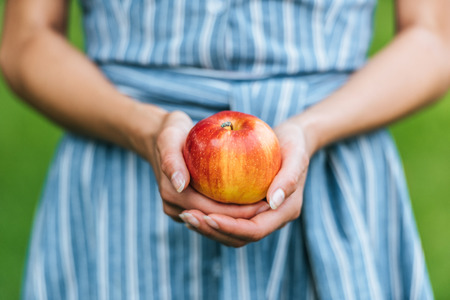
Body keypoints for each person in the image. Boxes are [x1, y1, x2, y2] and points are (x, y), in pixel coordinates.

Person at [1, 0, 449, 298]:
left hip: (331, 170)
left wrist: (310, 130)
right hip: (119, 172)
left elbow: (435, 40)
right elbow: (26, 41)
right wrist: (145, 128)